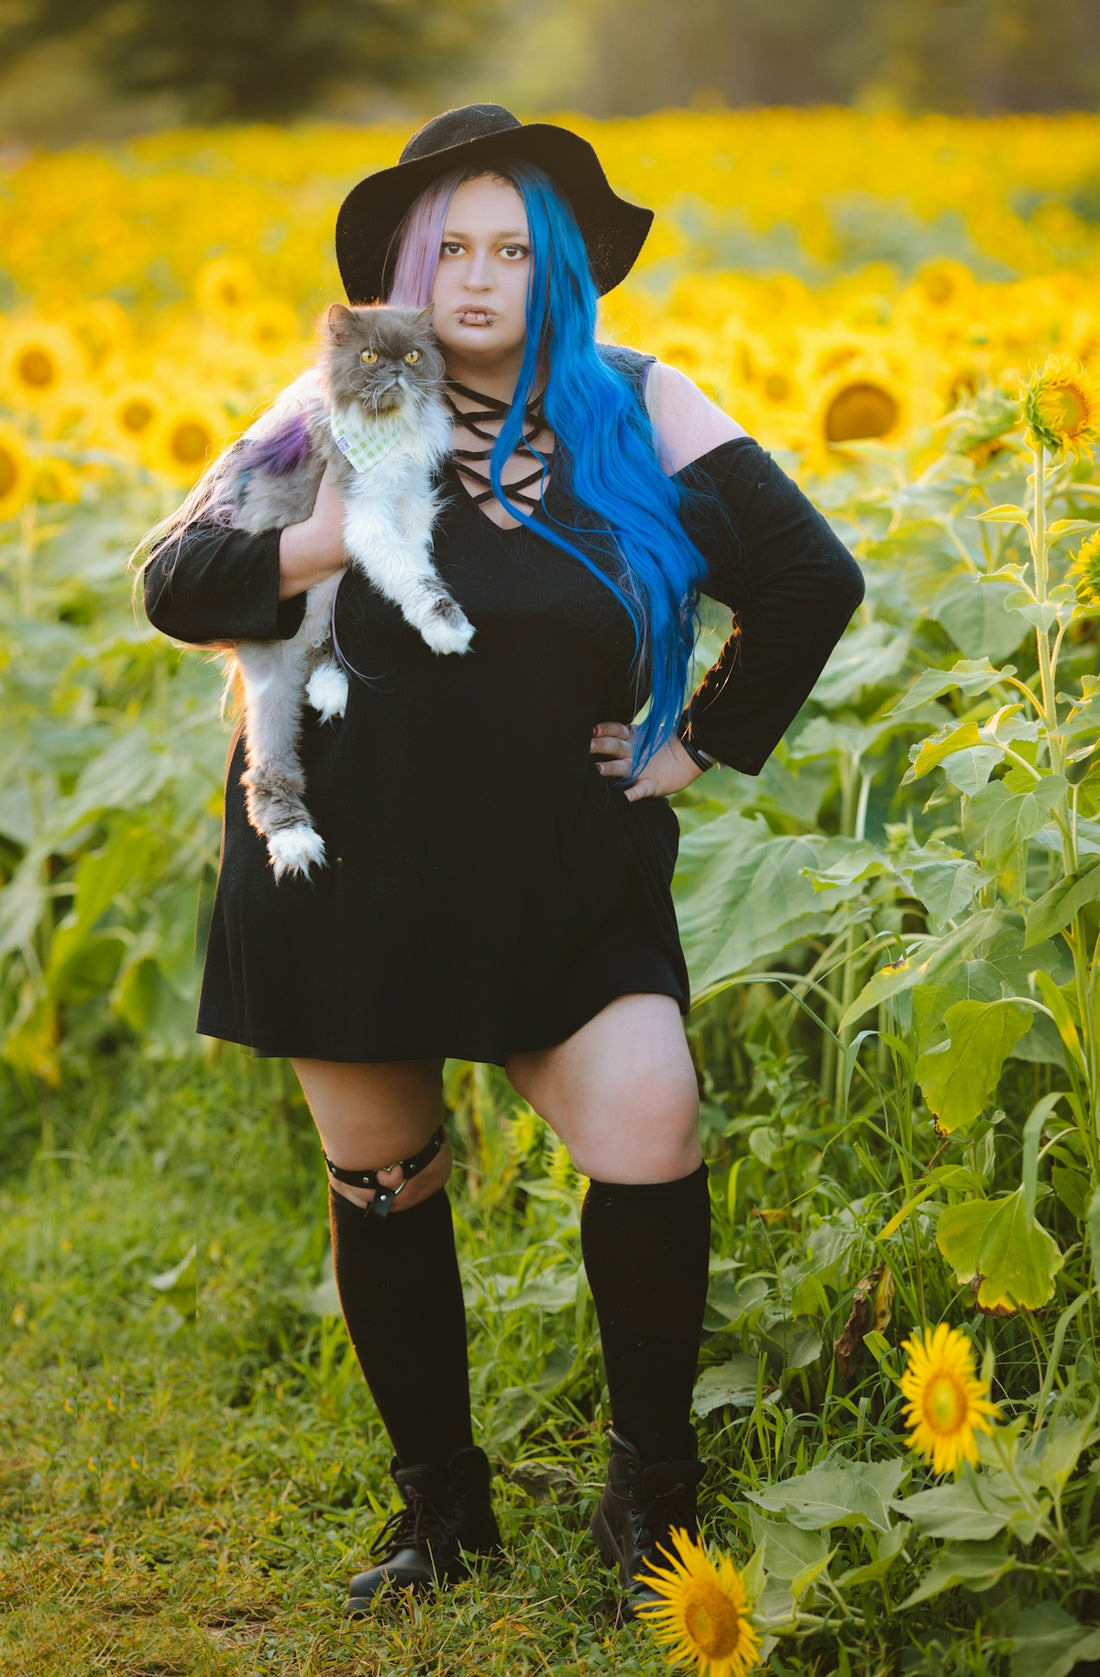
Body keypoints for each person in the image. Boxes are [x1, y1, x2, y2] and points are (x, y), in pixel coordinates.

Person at [140, 103, 864, 1623]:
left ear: (560, 271)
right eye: (451, 246)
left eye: (513, 248)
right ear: (411, 267)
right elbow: (175, 577)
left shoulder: (642, 405)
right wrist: (326, 534)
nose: (479, 277)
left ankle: (650, 1498)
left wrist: (702, 740)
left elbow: (810, 577)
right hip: (355, 866)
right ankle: (442, 1514)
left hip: (563, 871)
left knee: (652, 1120)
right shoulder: (333, 403)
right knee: (387, 1175)